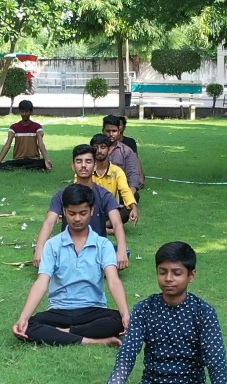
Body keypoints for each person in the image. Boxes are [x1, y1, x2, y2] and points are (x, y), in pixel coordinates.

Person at [97, 241, 227, 384]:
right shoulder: (145, 309)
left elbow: (217, 365)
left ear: (191, 275)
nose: (168, 279)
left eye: (176, 273)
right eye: (162, 272)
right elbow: (126, 357)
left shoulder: (204, 313)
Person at [13, 183, 131, 346]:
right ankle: (91, 340)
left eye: (82, 213)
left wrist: (125, 314)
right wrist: (23, 317)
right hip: (59, 310)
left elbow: (113, 280)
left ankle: (63, 334)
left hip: (93, 309)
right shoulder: (52, 245)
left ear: (92, 210)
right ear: (64, 212)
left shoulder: (103, 244)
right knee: (27, 327)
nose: (77, 218)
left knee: (117, 320)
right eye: (72, 213)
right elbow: (41, 282)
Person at [33, 145, 130, 270]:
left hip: (96, 248)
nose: (83, 165)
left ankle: (76, 266)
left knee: (122, 252)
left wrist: (121, 250)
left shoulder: (104, 195)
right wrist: (39, 249)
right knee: (44, 251)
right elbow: (49, 222)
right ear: (73, 166)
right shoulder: (61, 195)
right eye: (79, 161)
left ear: (95, 166)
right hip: (67, 247)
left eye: (88, 161)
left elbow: (117, 223)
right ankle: (86, 266)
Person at [0, 100, 52, 171]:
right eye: (22, 111)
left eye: (27, 112)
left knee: (42, 162)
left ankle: (24, 167)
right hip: (18, 160)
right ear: (20, 112)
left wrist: (46, 159)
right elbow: (7, 144)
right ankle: (26, 168)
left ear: (31, 112)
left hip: (33, 159)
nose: (24, 114)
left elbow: (41, 144)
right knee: (3, 165)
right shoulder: (14, 127)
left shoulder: (37, 127)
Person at [90, 133, 139, 223]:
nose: (99, 151)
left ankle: (105, 225)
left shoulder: (117, 171)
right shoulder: (86, 169)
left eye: (103, 147)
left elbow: (125, 190)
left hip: (110, 211)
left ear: (109, 150)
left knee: (131, 201)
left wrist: (134, 207)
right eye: (95, 148)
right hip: (90, 210)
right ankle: (107, 226)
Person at [101, 115, 143, 193]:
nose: (111, 134)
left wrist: (130, 194)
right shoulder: (95, 150)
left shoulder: (126, 151)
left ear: (119, 132)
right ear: (103, 131)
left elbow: (133, 174)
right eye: (108, 131)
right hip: (99, 189)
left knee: (135, 196)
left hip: (120, 189)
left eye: (114, 131)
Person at [116, 116, 145, 184]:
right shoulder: (107, 142)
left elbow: (136, 158)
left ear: (124, 127)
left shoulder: (130, 142)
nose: (117, 127)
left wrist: (141, 176)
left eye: (120, 125)